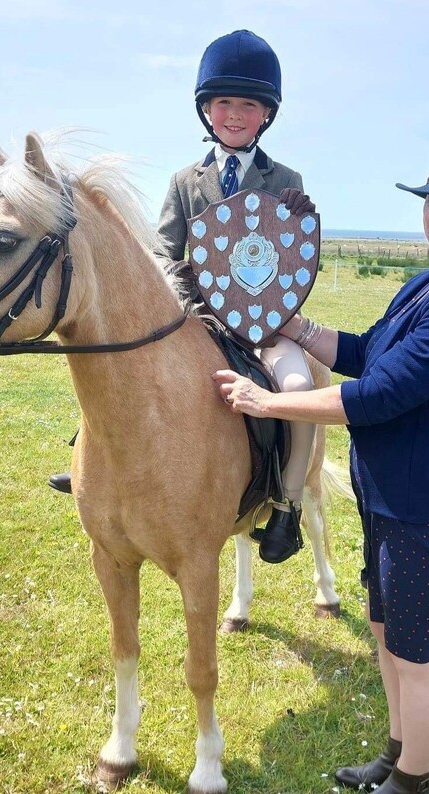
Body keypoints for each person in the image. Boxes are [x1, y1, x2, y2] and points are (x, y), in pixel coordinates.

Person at [212, 137, 429, 794]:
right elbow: (372, 352)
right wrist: (302, 327)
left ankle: (412, 783)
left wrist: (267, 400)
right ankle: (399, 755)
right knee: (387, 631)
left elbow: (380, 395)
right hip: (394, 498)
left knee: (418, 656)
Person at [50, 29, 319, 565]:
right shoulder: (182, 182)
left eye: (249, 105)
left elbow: (294, 258)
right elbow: (165, 251)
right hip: (195, 321)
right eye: (225, 103)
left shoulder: (285, 179)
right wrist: (187, 292)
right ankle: (90, 460)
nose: (236, 115)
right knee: (118, 374)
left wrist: (303, 219)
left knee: (299, 385)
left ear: (266, 114)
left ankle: (286, 503)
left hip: (262, 326)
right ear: (207, 110)